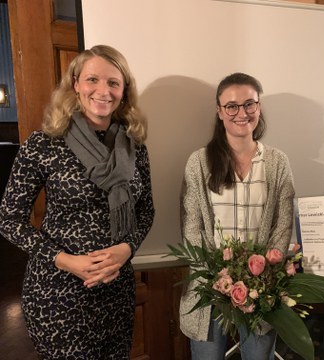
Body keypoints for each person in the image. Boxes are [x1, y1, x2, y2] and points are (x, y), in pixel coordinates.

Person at [0, 45, 155, 359]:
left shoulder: (133, 146)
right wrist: (66, 260)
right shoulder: (44, 143)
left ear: (124, 91)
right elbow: (8, 219)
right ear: (76, 84)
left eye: (113, 83)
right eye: (93, 80)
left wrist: (127, 248)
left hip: (116, 289)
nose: (103, 91)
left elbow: (146, 209)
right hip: (58, 291)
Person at [179, 72, 295, 360]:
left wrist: (261, 276)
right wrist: (217, 278)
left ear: (259, 107)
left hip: (260, 290)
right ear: (219, 111)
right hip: (209, 287)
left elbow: (283, 224)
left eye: (249, 104)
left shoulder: (277, 162)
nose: (241, 113)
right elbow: (191, 227)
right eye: (231, 106)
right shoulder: (199, 162)